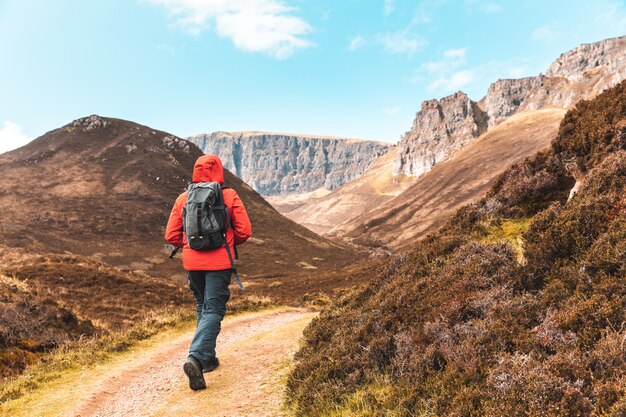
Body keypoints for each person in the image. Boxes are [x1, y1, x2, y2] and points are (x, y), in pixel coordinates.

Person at [165, 154, 252, 391]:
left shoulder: (184, 198)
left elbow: (171, 236)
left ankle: (208, 359)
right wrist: (228, 241)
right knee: (214, 309)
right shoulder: (229, 196)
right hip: (220, 262)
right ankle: (196, 357)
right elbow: (245, 231)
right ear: (219, 172)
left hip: (192, 263)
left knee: (203, 307)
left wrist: (190, 245)